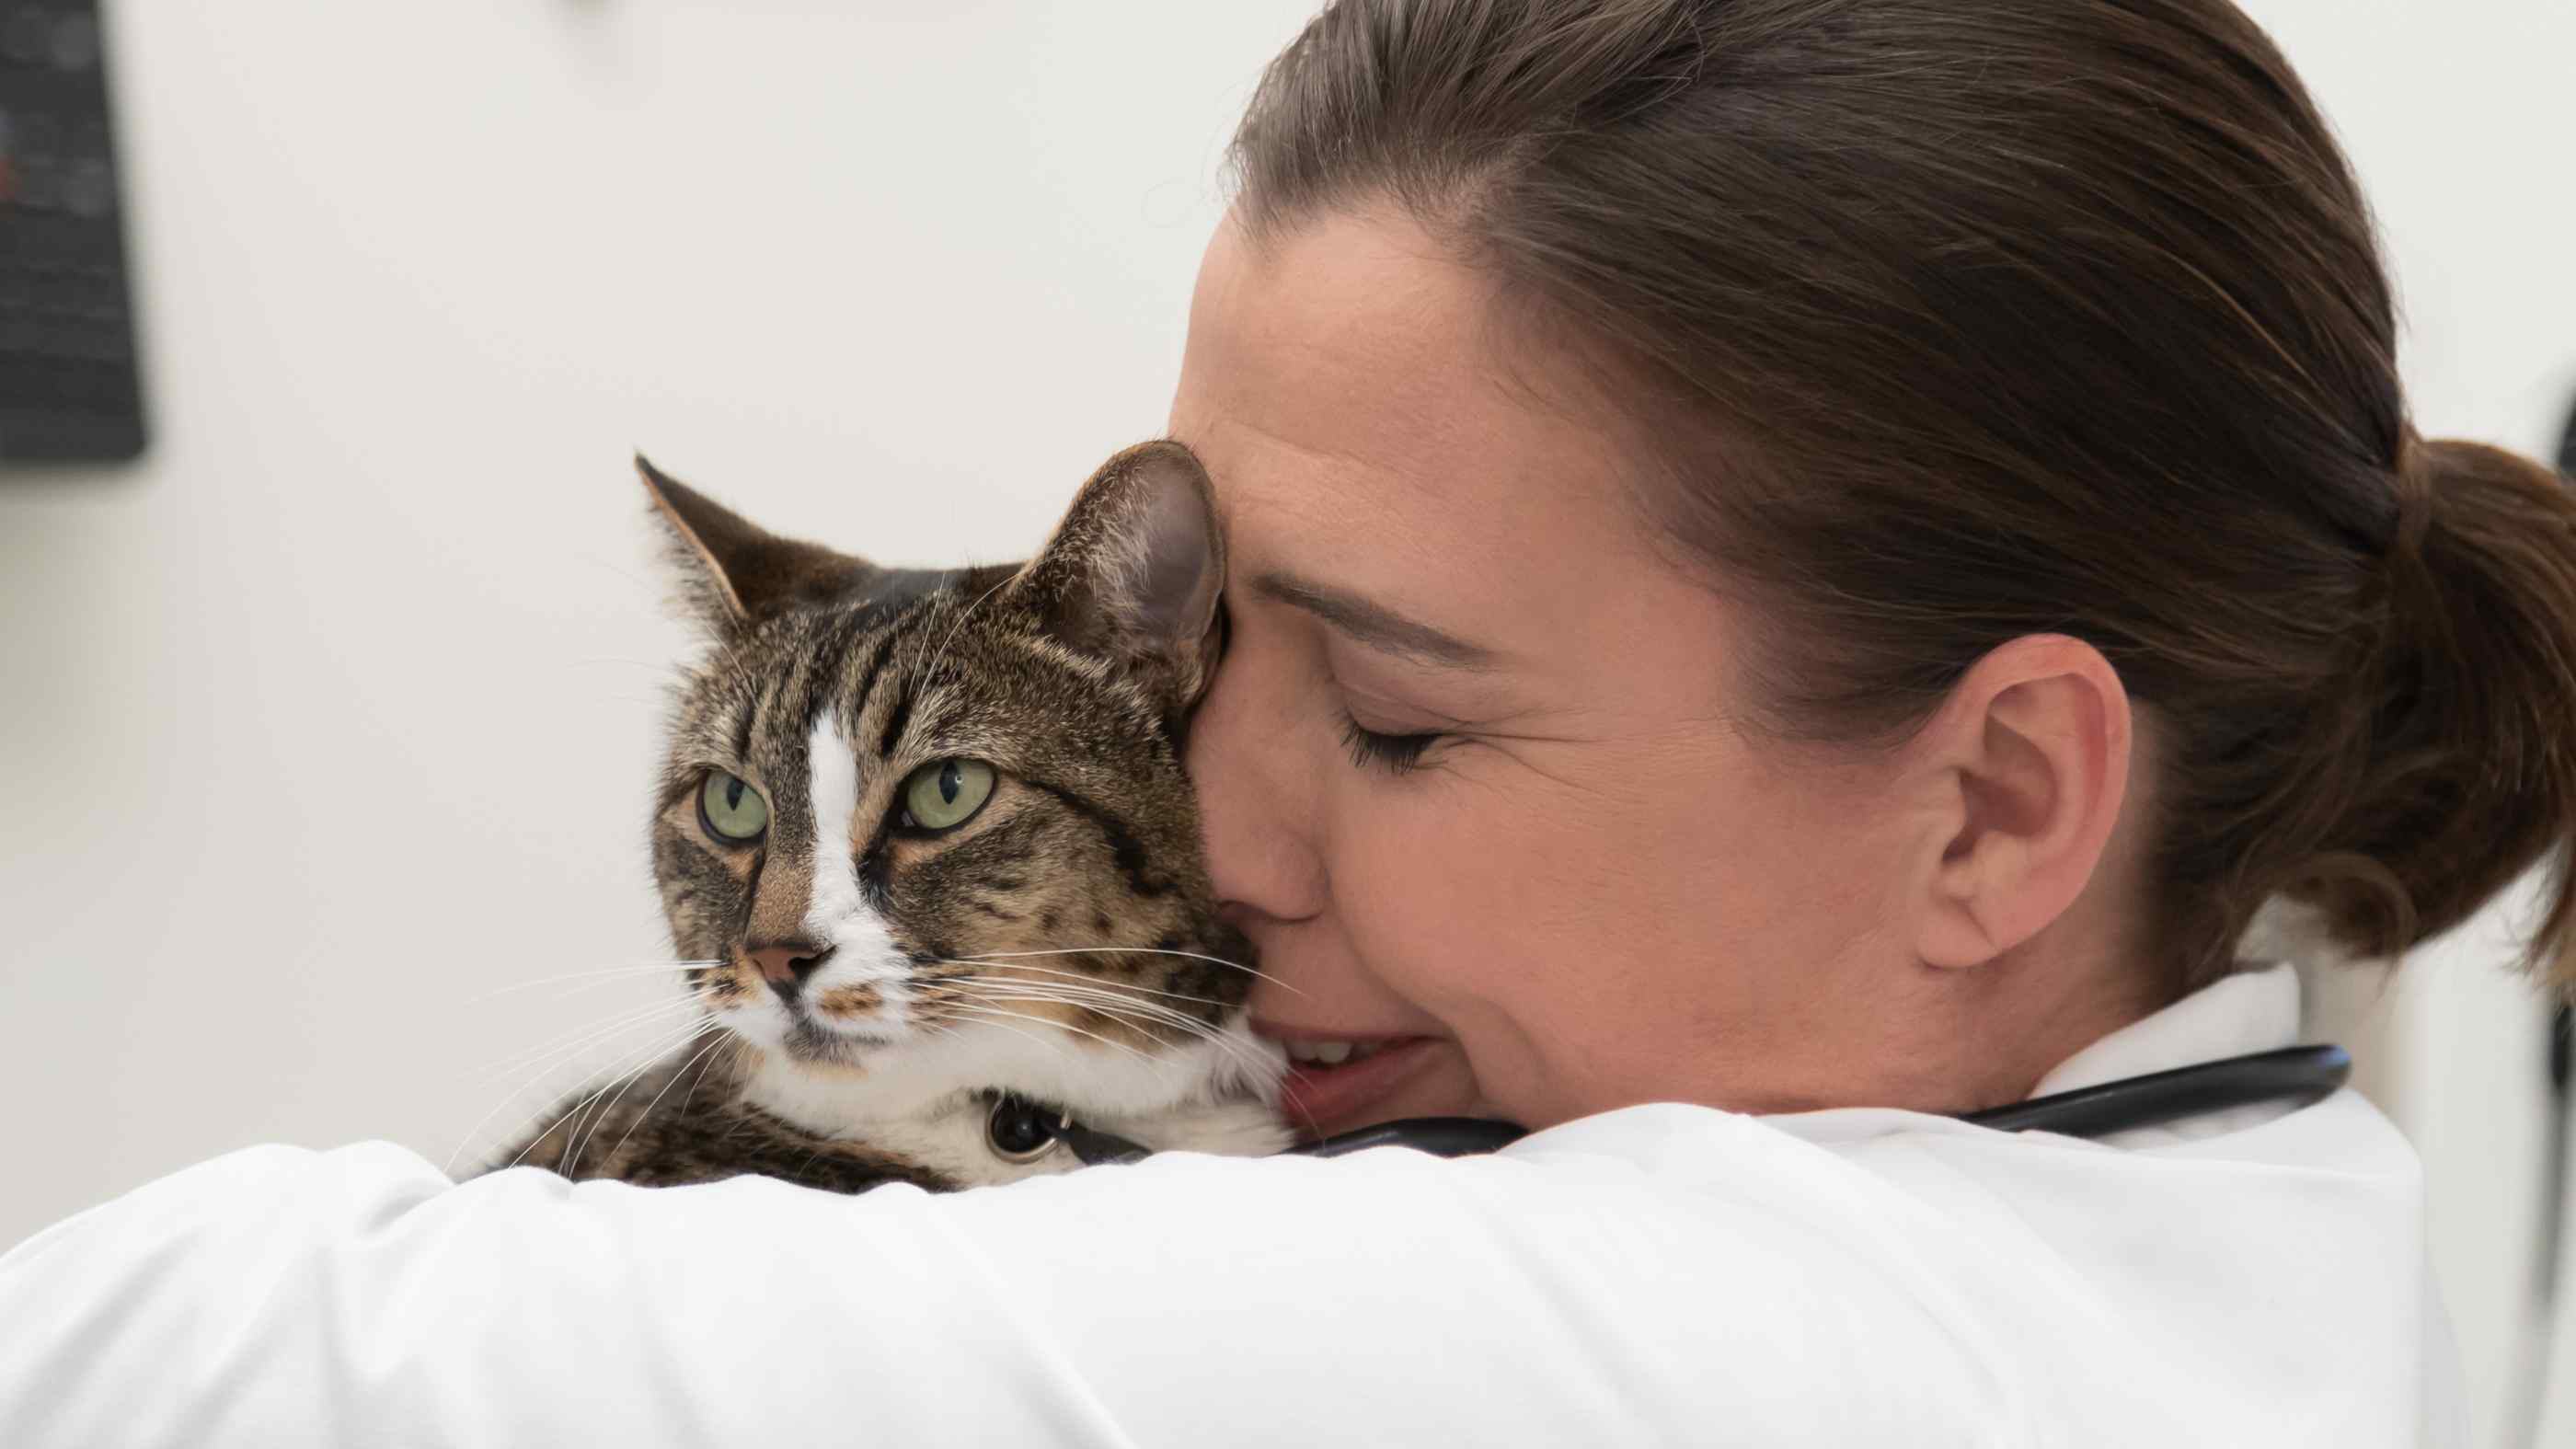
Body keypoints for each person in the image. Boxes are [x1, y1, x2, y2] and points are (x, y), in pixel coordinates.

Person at [3, 0, 2567, 1443]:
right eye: (1214, 657)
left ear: (1993, 809)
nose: (1215, 841)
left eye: (1407, 727)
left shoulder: (1765, 1356)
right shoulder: (2249, 1195)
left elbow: (166, 1365)